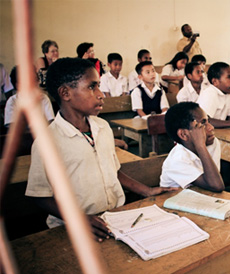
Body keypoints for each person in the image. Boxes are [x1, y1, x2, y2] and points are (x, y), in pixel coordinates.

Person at [25, 58, 175, 242]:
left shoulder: (102, 127)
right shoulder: (48, 141)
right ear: (65, 93)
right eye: (91, 87)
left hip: (114, 218)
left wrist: (147, 191)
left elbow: (114, 171)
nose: (100, 94)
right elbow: (39, 195)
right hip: (71, 229)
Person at [160, 102, 224, 192]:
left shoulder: (212, 143)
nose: (211, 127)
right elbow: (216, 186)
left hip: (201, 197)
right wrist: (200, 146)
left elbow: (213, 182)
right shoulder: (177, 160)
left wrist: (201, 145)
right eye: (202, 124)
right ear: (184, 134)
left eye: (208, 121)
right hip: (174, 201)